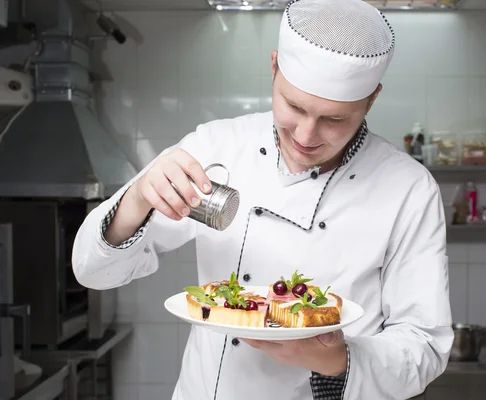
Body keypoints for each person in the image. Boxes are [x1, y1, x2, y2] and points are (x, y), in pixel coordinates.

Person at [72, 0, 453, 399]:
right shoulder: (218, 147)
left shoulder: (409, 188)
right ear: (274, 68)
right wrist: (136, 200)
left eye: (334, 119)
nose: (306, 136)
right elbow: (92, 272)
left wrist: (336, 361)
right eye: (294, 106)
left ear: (371, 99)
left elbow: (424, 348)